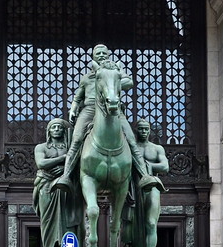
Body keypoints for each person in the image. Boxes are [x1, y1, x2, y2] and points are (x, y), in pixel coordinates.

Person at [52, 44, 158, 193]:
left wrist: (112, 82)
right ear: (93, 57)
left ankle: (144, 176)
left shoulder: (116, 70)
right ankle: (66, 176)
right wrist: (73, 109)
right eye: (98, 54)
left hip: (113, 110)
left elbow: (129, 82)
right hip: (89, 109)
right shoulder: (87, 77)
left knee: (132, 140)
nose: (101, 55)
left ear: (108, 55)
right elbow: (78, 97)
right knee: (76, 139)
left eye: (104, 53)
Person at [33, 118, 81, 247]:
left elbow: (79, 164)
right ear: (48, 131)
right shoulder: (41, 147)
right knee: (48, 225)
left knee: (67, 223)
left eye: (59, 127)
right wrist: (64, 159)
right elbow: (41, 164)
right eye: (53, 127)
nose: (56, 129)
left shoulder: (70, 147)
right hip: (46, 187)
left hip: (66, 189)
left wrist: (65, 170)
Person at [121, 119, 169, 247]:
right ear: (136, 131)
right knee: (128, 226)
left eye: (145, 129)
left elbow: (165, 166)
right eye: (140, 129)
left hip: (151, 185)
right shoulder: (129, 147)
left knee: (151, 223)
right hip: (132, 187)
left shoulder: (156, 148)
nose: (143, 132)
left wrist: (147, 165)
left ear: (149, 131)